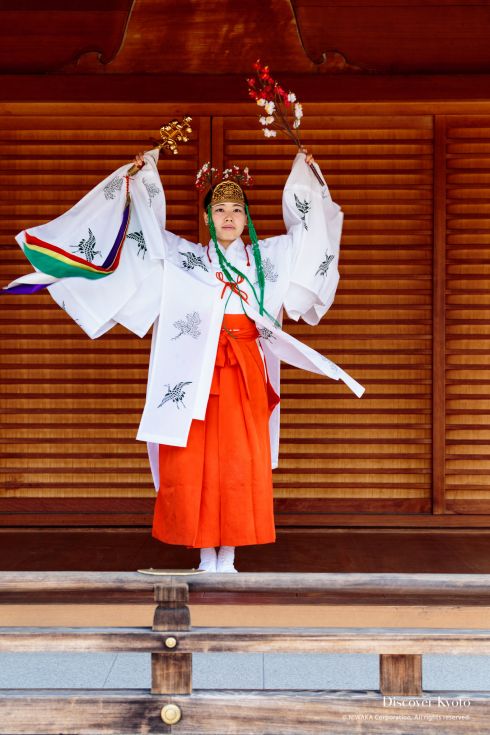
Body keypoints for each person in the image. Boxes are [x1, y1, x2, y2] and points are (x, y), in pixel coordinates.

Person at [5, 145, 364, 573]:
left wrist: (306, 177)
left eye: (236, 209)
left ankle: (228, 554)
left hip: (245, 370)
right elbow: (146, 238)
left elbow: (307, 238)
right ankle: (201, 551)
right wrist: (139, 181)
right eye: (220, 210)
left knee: (239, 459)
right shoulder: (186, 259)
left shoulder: (267, 259)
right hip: (194, 371)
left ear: (246, 219)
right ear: (208, 220)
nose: (228, 216)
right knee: (193, 457)